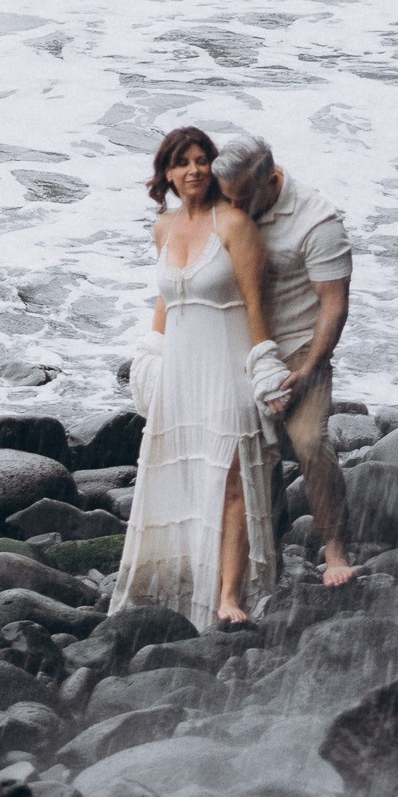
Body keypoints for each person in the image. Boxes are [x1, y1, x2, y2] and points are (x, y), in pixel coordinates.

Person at [111, 124, 290, 628]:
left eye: (201, 160)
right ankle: (190, 579)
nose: (193, 170)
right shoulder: (164, 228)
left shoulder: (234, 224)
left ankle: (229, 595)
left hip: (228, 369)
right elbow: (167, 299)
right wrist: (150, 354)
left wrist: (265, 370)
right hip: (181, 372)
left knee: (233, 478)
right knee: (187, 474)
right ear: (166, 173)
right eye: (182, 162)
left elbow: (256, 306)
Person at [211, 131, 355, 588]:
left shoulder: (317, 221)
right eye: (227, 198)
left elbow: (334, 304)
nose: (234, 208)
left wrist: (311, 368)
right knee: (249, 453)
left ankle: (335, 547)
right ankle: (262, 557)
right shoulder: (227, 204)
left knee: (309, 442)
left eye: (242, 198)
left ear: (271, 179)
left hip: (298, 348)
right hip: (240, 345)